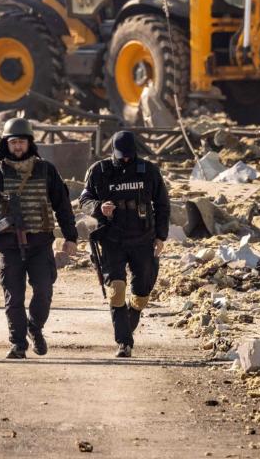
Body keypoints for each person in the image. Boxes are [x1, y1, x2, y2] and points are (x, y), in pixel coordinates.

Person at [0, 118, 78, 359]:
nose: (17, 147)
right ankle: (18, 343)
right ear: (6, 144)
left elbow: (62, 206)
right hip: (8, 246)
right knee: (14, 296)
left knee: (44, 290)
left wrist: (70, 237)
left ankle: (35, 326)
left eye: (21, 142)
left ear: (29, 143)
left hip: (40, 244)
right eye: (13, 142)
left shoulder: (46, 170)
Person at [79, 131, 170, 358]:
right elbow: (84, 200)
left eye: (129, 156)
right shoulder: (99, 171)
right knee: (116, 290)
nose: (126, 159)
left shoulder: (148, 170)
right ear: (113, 152)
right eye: (122, 156)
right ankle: (124, 343)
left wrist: (161, 237)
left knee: (141, 295)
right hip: (112, 239)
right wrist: (99, 208)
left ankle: (126, 325)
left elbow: (162, 204)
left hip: (143, 239)